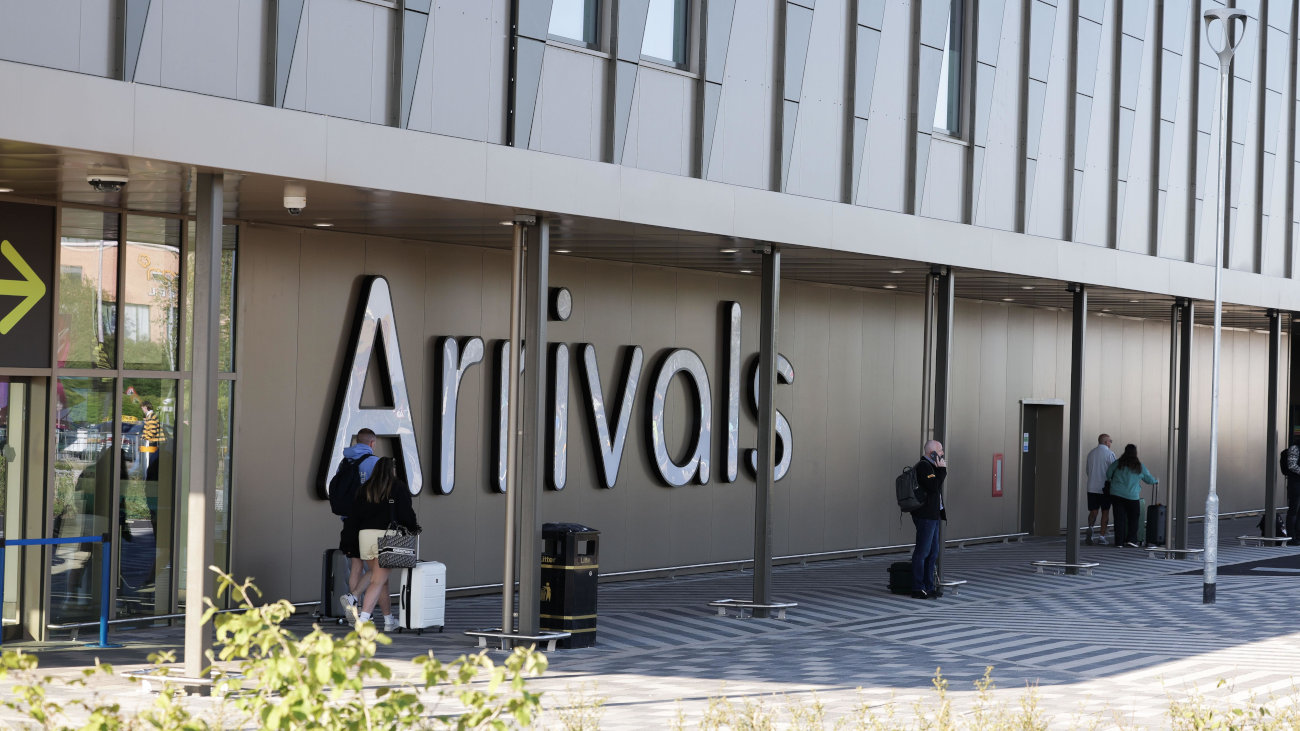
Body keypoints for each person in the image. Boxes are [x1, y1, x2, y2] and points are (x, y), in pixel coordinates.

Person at [342, 456, 420, 629]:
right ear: (392, 470)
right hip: (387, 537)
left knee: (381, 579)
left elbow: (354, 516)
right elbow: (406, 513)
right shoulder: (397, 487)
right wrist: (413, 528)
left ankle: (388, 621)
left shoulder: (364, 489)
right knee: (377, 581)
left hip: (365, 536)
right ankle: (361, 617)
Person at [336, 429, 387, 620]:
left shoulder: (345, 462)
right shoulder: (374, 463)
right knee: (377, 568)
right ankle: (354, 597)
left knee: (356, 566)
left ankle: (354, 613)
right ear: (372, 443)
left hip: (348, 521)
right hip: (368, 523)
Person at [910, 440, 947, 599]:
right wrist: (943, 470)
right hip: (925, 516)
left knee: (933, 552)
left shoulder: (932, 467)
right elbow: (933, 487)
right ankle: (918, 587)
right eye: (940, 451)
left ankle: (929, 586)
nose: (943, 453)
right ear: (932, 453)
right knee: (922, 552)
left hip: (933, 515)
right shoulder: (924, 466)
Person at [1105, 444, 1158, 548]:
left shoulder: (1118, 463)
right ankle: (1131, 540)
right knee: (1134, 518)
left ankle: (1119, 542)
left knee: (1119, 518)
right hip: (1132, 496)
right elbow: (1148, 479)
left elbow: (1108, 474)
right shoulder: (1139, 466)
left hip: (1116, 494)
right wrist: (1156, 481)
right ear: (1135, 453)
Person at [1084, 434, 1116, 545]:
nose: (1111, 443)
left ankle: (1091, 528)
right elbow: (1113, 471)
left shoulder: (1091, 454)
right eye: (1110, 441)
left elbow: (1088, 470)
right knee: (1105, 512)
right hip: (1105, 488)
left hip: (1092, 487)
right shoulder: (1110, 454)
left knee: (1093, 511)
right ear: (1106, 442)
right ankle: (1102, 537)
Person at [1284, 437, 1300, 546]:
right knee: (1293, 511)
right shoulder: (1295, 448)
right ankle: (1291, 537)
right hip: (1295, 484)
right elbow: (1292, 465)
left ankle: (1298, 535)